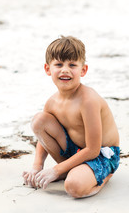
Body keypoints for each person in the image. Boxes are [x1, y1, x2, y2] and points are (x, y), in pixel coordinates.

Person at [22, 36, 120, 198]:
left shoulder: (88, 100)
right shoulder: (52, 102)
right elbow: (42, 138)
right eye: (59, 64)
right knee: (39, 120)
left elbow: (93, 149)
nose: (65, 70)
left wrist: (56, 170)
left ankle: (100, 177)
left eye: (72, 65)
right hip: (75, 152)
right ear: (48, 69)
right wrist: (37, 167)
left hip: (101, 155)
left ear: (83, 70)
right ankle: (71, 170)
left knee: (73, 187)